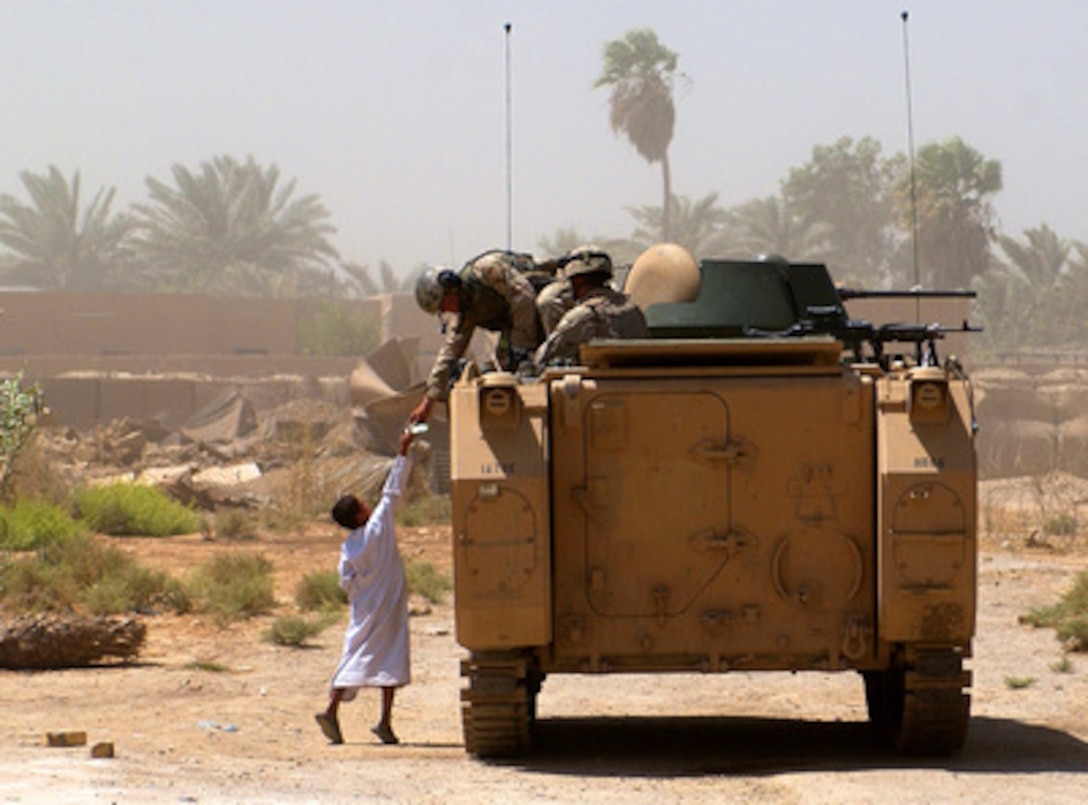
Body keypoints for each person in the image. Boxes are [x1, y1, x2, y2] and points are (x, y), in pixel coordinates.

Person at [316, 428, 416, 746]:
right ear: (360, 513)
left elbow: (345, 580)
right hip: (388, 607)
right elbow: (393, 490)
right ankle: (384, 722)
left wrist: (363, 593)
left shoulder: (349, 546)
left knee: (354, 655)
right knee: (391, 659)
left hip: (364, 610)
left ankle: (332, 710)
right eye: (362, 503)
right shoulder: (379, 528)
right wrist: (403, 450)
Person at [408, 249, 545, 425]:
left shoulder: (485, 271)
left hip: (542, 303)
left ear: (450, 287)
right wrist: (427, 403)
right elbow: (450, 353)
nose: (447, 311)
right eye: (442, 310)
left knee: (547, 306)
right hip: (518, 327)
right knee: (502, 370)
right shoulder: (466, 312)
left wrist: (521, 348)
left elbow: (524, 298)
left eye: (444, 304)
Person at [534, 248, 651, 369]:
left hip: (602, 384)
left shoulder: (581, 316)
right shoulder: (633, 309)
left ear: (577, 280)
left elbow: (543, 357)